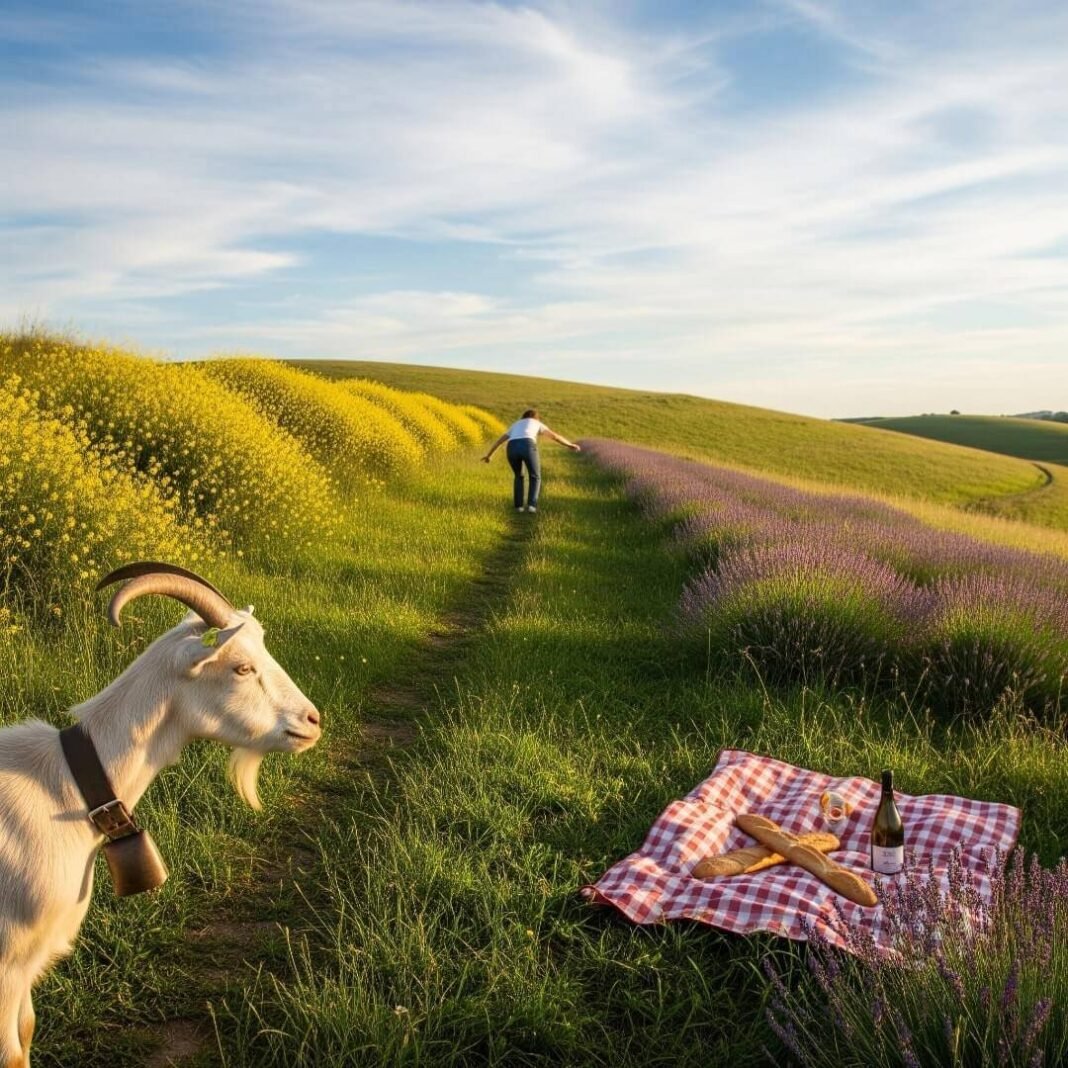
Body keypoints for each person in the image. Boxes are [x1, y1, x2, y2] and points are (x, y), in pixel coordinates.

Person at [481, 408, 581, 513]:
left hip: (511, 447)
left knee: (518, 476)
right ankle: (531, 506)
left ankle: (519, 507)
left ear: (523, 417)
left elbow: (499, 442)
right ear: (536, 417)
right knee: (535, 476)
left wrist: (489, 455)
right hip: (527, 445)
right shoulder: (536, 423)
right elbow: (555, 436)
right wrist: (569, 444)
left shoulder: (516, 424)